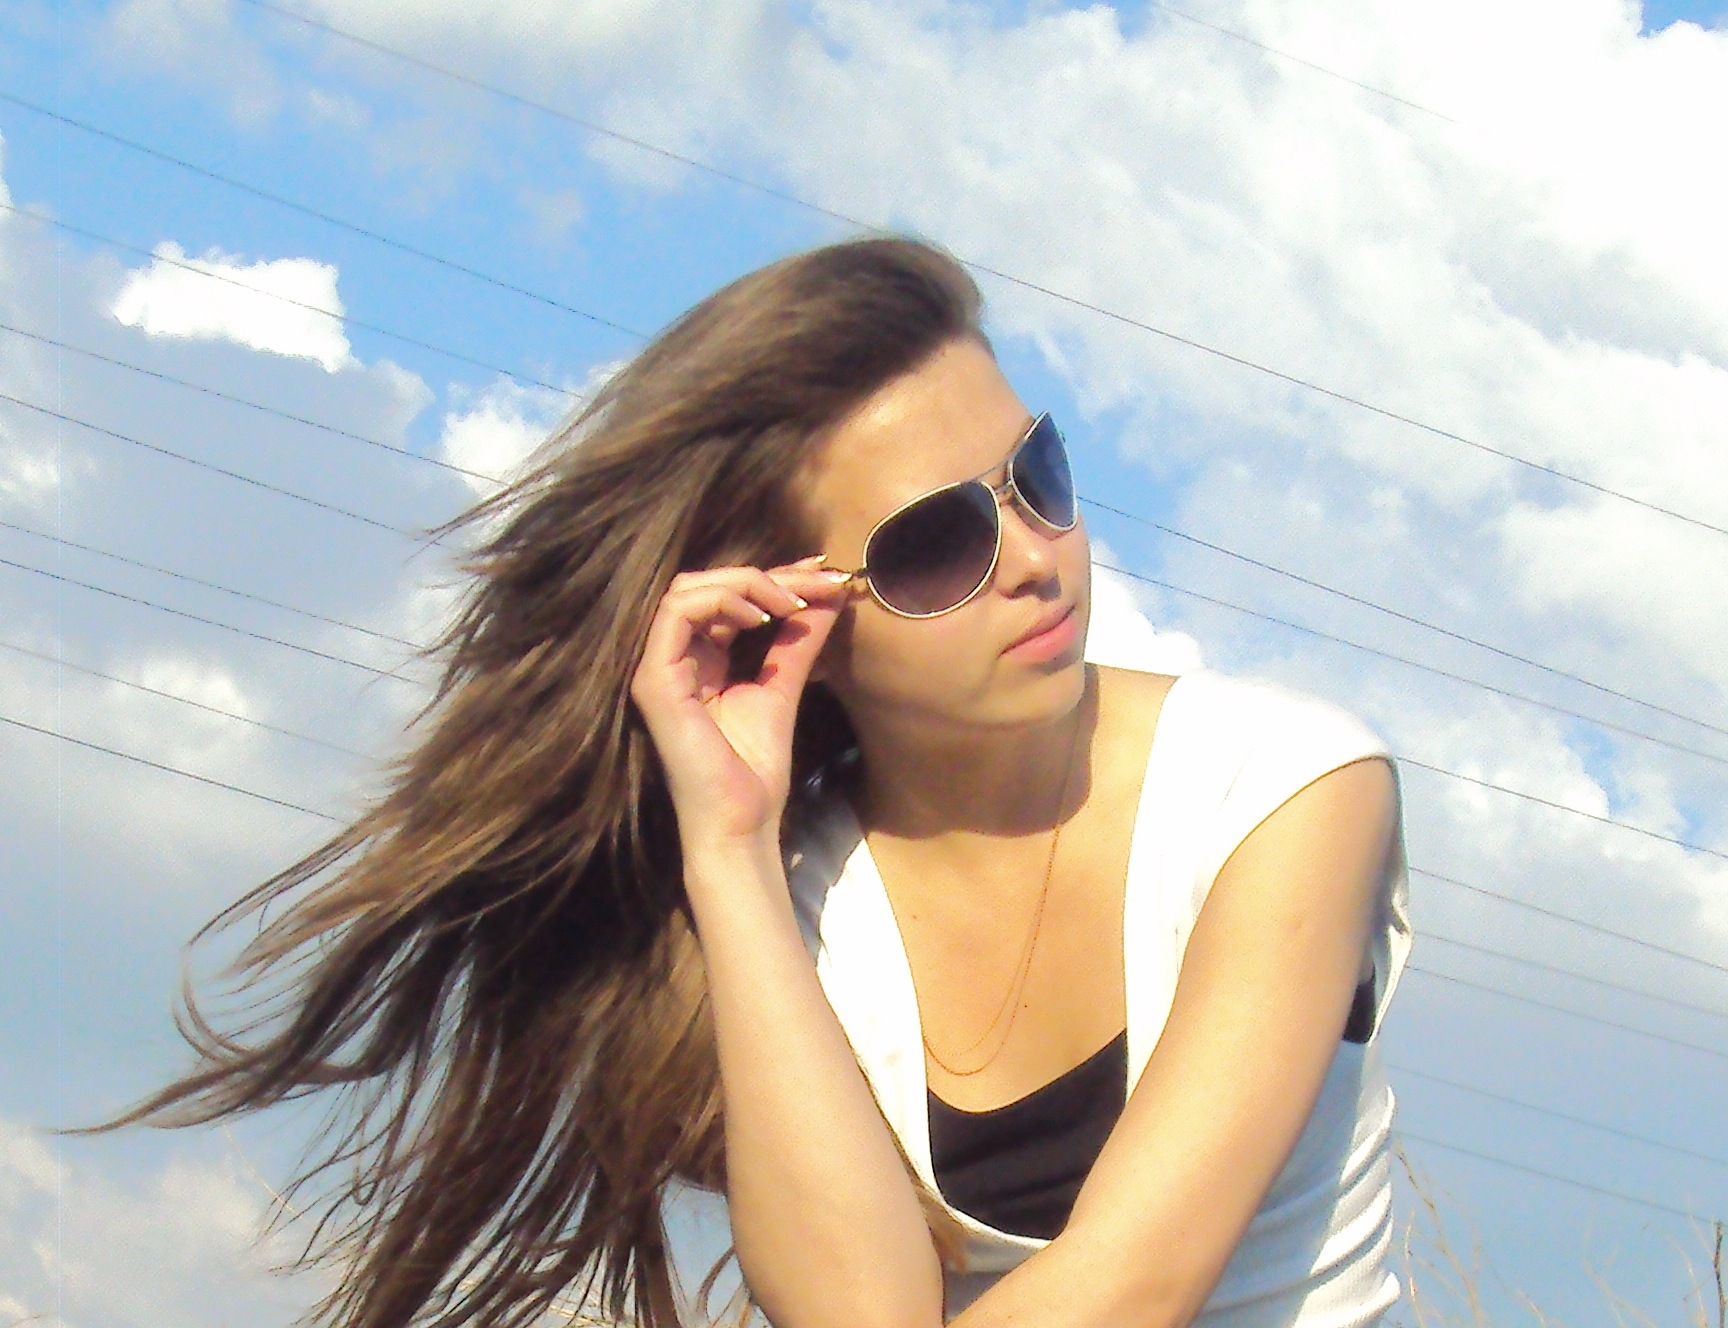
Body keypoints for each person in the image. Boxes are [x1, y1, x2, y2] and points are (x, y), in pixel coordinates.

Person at [104, 237, 1414, 1328]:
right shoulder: (783, 908)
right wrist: (726, 848)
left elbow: (1129, 1295)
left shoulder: (1289, 791)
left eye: (1038, 474)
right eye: (938, 541)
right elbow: (862, 1313)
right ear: (796, 618)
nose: (1032, 556)